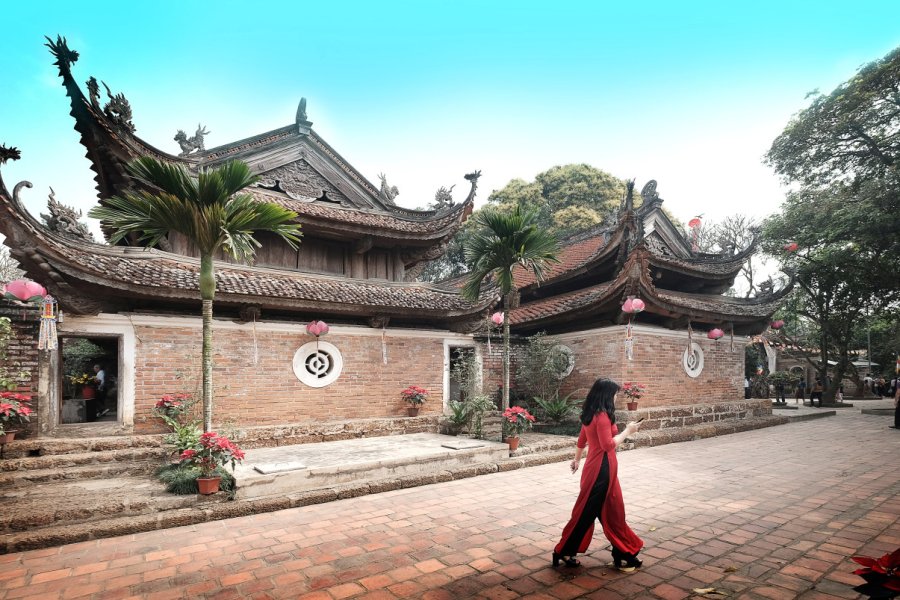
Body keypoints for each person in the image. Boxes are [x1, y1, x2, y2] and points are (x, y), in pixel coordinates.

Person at [553, 378, 644, 572]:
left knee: (614, 510)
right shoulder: (602, 416)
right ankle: (563, 550)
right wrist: (628, 431)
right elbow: (608, 445)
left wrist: (577, 460)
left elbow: (582, 438)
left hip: (597, 468)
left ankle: (622, 551)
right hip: (601, 471)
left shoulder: (590, 413)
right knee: (587, 513)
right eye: (614, 394)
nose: (616, 397)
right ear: (606, 395)